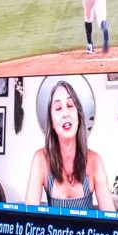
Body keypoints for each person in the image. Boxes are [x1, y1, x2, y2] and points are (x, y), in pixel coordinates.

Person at [25, 78, 112, 213]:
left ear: (78, 115)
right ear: (52, 123)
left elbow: (110, 218)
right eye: (58, 108)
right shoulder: (40, 159)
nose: (65, 113)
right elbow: (28, 218)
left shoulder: (94, 161)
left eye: (70, 105)